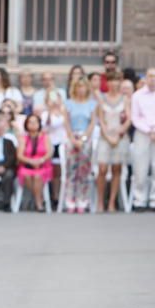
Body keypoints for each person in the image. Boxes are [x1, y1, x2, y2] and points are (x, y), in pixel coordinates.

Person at [95, 72, 132, 213]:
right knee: (102, 169)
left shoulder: (125, 99)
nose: (114, 83)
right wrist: (108, 136)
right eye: (111, 81)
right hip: (105, 137)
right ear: (107, 83)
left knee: (117, 169)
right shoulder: (101, 98)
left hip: (120, 137)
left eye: (116, 81)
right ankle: (100, 202)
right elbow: (101, 119)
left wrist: (120, 133)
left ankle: (111, 202)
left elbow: (129, 118)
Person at [130, 67, 155, 212]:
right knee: (140, 167)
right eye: (150, 76)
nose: (153, 79)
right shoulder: (137, 95)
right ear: (146, 78)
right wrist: (148, 130)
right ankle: (140, 200)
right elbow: (135, 117)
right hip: (142, 133)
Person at [63, 78, 98, 213]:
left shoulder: (92, 104)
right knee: (72, 170)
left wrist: (83, 139)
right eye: (78, 87)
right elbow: (66, 122)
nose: (81, 89)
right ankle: (70, 199)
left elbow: (92, 123)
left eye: (83, 87)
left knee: (84, 171)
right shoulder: (68, 103)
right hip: (72, 137)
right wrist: (72, 138)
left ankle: (82, 199)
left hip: (85, 137)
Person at [16, 114, 53, 211]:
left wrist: (41, 160)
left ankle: (39, 204)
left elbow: (49, 152)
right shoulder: (23, 138)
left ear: (39, 124)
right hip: (27, 165)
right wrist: (31, 161)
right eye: (30, 122)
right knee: (26, 175)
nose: (33, 124)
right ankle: (39, 198)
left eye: (35, 122)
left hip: (42, 165)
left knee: (38, 176)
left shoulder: (45, 137)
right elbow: (20, 155)